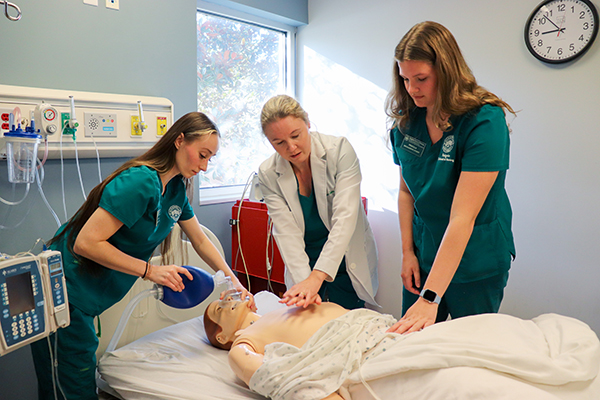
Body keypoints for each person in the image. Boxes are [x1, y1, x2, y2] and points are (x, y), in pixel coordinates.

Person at [30, 111, 254, 400]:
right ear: (179, 140)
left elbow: (199, 238)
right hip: (65, 290)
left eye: (210, 158)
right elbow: (85, 243)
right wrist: (150, 271)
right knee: (72, 387)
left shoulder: (175, 189)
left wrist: (232, 279)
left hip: (86, 298)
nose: (205, 166)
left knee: (79, 378)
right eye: (202, 155)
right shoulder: (141, 181)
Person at [385, 21, 517, 335]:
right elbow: (406, 192)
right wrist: (407, 253)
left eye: (421, 79)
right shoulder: (408, 121)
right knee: (412, 344)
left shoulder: (483, 120)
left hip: (475, 261)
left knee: (467, 350)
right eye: (405, 79)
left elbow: (462, 216)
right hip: (424, 256)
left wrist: (431, 297)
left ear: (446, 71)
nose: (412, 89)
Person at [204, 298, 599, 400]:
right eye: (221, 307)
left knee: (493, 333)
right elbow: (277, 378)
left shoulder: (279, 302)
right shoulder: (244, 342)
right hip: (366, 359)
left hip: (388, 332)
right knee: (464, 381)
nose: (228, 298)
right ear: (222, 335)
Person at [258, 95, 378, 310]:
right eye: (279, 143)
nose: (292, 147)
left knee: (349, 324)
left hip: (346, 259)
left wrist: (317, 277)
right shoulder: (269, 174)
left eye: (296, 135)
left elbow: (345, 219)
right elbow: (286, 234)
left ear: (308, 123)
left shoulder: (339, 150)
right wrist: (307, 284)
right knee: (310, 324)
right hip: (303, 263)